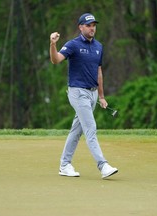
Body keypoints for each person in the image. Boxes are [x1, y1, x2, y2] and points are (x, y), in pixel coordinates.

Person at [49, 13, 118, 179]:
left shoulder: (99, 47)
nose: (92, 28)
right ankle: (103, 165)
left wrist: (101, 96)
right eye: (88, 25)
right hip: (77, 92)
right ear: (81, 27)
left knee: (76, 130)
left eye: (94, 25)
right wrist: (52, 44)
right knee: (90, 128)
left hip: (93, 94)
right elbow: (56, 60)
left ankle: (64, 165)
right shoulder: (73, 45)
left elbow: (99, 71)